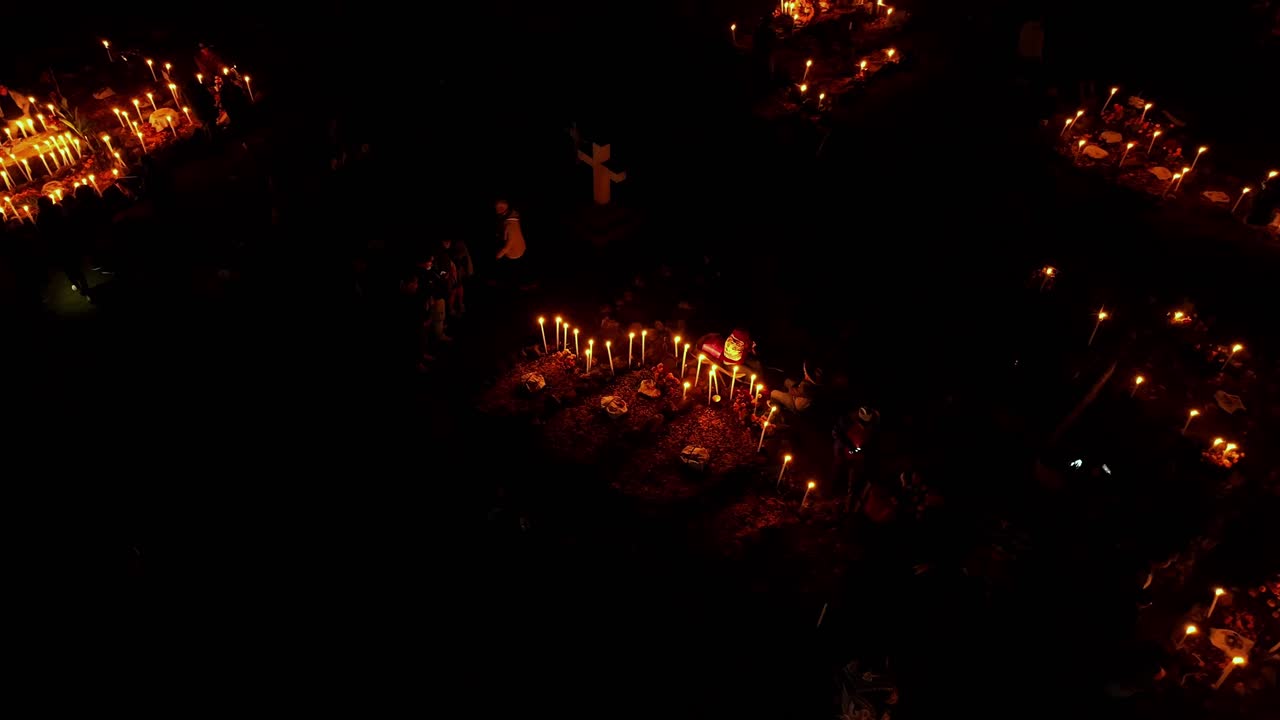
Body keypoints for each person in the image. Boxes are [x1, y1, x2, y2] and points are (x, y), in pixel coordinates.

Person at [439, 238, 473, 316]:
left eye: (447, 242)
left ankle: (456, 307)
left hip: (456, 269)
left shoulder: (457, 244)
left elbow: (462, 256)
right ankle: (453, 308)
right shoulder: (447, 249)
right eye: (445, 242)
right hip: (453, 269)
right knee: (455, 288)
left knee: (457, 287)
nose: (446, 243)